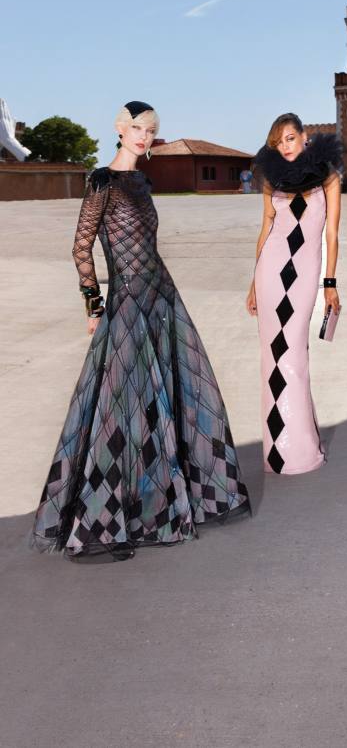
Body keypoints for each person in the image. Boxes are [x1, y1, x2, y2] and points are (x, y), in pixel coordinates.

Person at [32, 101, 249, 559]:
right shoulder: (102, 181)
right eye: (137, 127)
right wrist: (93, 303)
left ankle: (159, 502)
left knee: (169, 394)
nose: (144, 136)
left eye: (151, 130)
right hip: (127, 300)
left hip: (161, 295)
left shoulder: (143, 182)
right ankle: (108, 517)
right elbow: (80, 247)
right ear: (118, 128)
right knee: (120, 405)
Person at [247, 115, 343, 475]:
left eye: (291, 138)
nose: (286, 146)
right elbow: (266, 228)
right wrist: (252, 283)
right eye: (279, 141)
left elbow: (332, 234)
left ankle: (301, 451)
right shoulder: (273, 178)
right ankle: (277, 453)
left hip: (304, 274)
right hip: (270, 269)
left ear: (304, 137)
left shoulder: (328, 175)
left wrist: (330, 283)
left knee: (293, 354)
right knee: (271, 358)